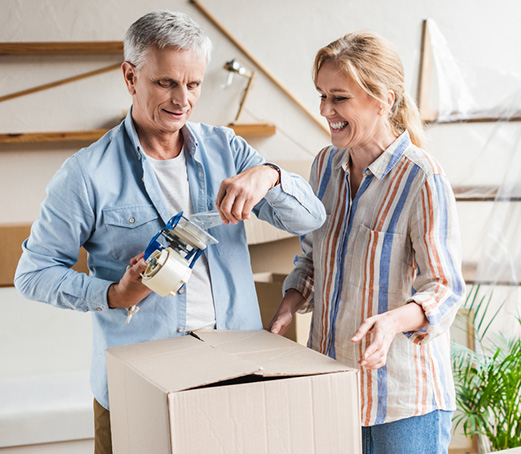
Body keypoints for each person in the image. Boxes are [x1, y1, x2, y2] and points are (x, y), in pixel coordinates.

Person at [13, 10, 325, 454]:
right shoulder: (85, 174)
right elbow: (33, 273)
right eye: (166, 83)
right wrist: (113, 295)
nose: (183, 99)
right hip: (139, 386)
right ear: (130, 76)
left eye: (193, 84)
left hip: (235, 374)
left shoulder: (228, 148)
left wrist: (270, 175)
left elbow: (310, 217)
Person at [268, 32, 464, 454]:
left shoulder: (422, 178)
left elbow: (444, 290)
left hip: (401, 404)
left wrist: (392, 322)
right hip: (329, 387)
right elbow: (311, 254)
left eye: (339, 98)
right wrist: (292, 298)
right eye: (322, 95)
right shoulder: (324, 165)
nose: (325, 110)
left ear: (383, 99)